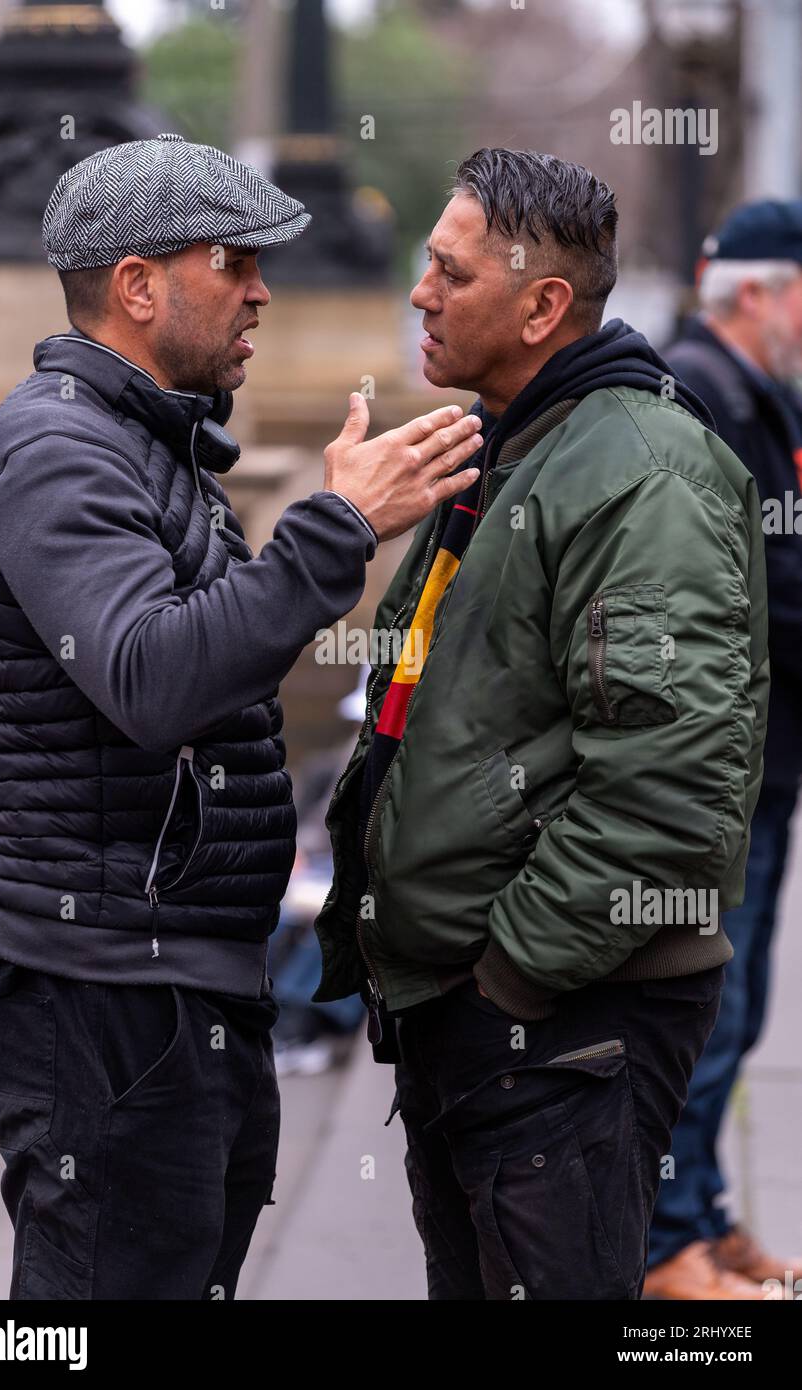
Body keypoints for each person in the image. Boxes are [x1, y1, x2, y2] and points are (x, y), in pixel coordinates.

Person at [0, 133, 482, 1300]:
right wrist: (336, 526)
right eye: (229, 261)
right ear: (136, 285)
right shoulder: (57, 450)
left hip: (172, 980)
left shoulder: (143, 440)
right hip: (103, 997)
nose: (260, 289)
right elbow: (151, 679)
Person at [314, 147, 770, 1301]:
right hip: (477, 1020)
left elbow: (666, 783)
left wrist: (511, 975)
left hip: (555, 1024)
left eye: (449, 273)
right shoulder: (514, 443)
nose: (419, 292)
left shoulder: (638, 468)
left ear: (541, 305)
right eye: (426, 263)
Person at [644, 200, 802, 1299]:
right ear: (758, 291)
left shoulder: (755, 393)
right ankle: (662, 1249)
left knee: (731, 1008)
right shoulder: (697, 395)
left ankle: (698, 1212)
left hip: (760, 759)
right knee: (703, 1005)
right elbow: (734, 596)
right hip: (719, 770)